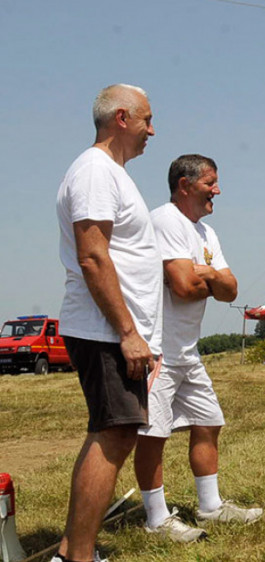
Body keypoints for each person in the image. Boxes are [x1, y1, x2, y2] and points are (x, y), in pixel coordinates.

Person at [53, 84, 160, 562]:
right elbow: (93, 257)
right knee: (114, 433)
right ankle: (78, 557)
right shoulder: (96, 171)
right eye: (146, 120)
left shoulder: (110, 173)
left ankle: (71, 549)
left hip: (111, 330)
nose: (151, 131)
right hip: (104, 330)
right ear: (122, 118)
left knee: (113, 431)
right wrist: (128, 333)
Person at [134, 154, 261, 543]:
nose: (217, 191)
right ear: (185, 185)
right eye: (210, 183)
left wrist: (202, 271)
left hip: (188, 350)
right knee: (153, 434)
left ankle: (211, 506)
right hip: (158, 349)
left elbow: (231, 290)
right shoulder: (165, 221)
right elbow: (185, 289)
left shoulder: (206, 234)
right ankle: (156, 519)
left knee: (209, 421)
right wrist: (210, 277)